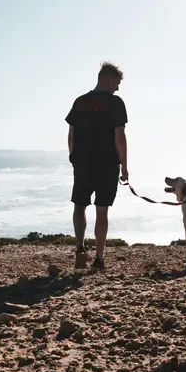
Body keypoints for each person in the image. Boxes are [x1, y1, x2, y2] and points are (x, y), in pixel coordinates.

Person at [65, 61, 129, 270]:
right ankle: (99, 258)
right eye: (117, 82)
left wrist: (73, 156)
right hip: (107, 164)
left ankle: (80, 249)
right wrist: (124, 166)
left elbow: (71, 134)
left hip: (82, 163)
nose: (118, 88)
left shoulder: (79, 102)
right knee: (102, 212)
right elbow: (119, 137)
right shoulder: (116, 103)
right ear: (109, 79)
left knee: (79, 206)